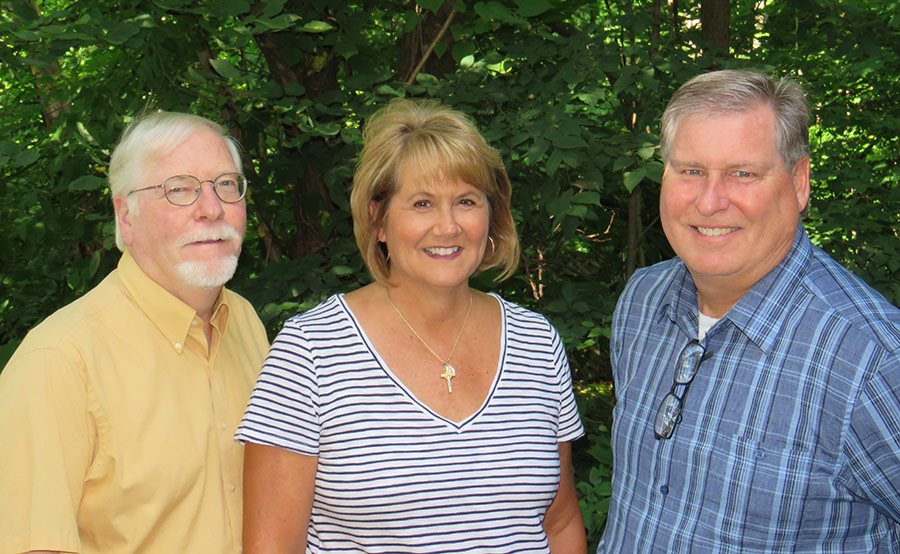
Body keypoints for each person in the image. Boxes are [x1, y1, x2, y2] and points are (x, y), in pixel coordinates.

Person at [236, 98, 586, 553]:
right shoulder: (311, 353)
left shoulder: (536, 343)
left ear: (491, 217)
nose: (448, 226)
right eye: (422, 203)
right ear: (378, 220)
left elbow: (559, 524)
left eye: (466, 201)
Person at [597, 69, 900, 553]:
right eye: (691, 171)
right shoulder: (642, 301)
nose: (711, 201)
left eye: (743, 173)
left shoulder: (871, 361)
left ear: (798, 183)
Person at [0, 111, 269, 553]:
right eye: (179, 189)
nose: (212, 208)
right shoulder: (58, 363)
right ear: (126, 215)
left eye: (226, 184)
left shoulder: (246, 324)